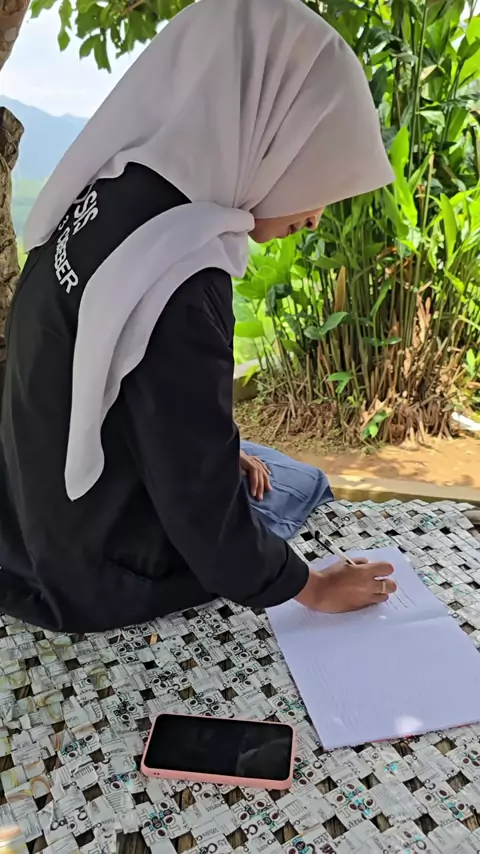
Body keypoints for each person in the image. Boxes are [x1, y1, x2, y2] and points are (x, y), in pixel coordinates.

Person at [0, 0, 397, 633]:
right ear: (265, 128)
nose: (316, 214)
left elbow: (120, 377)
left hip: (25, 516)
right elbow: (200, 505)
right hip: (96, 566)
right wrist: (312, 587)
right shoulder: (181, 271)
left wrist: (204, 440)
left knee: (253, 463)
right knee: (300, 483)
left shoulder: (110, 188)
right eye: (315, 163)